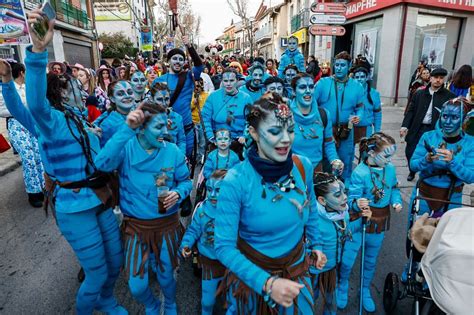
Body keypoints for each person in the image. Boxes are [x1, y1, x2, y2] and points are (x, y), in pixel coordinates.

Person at [8, 13, 125, 314]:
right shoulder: (51, 121)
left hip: (100, 198)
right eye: (72, 85)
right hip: (74, 208)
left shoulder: (81, 119)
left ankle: (107, 300)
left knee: (115, 262)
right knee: (96, 272)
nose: (79, 88)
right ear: (59, 93)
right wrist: (36, 52)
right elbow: (30, 106)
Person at [214, 97, 326, 314]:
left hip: (296, 271)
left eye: (291, 130)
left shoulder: (302, 166)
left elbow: (309, 207)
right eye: (275, 132)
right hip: (252, 279)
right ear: (253, 133)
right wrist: (267, 283)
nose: (286, 140)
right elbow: (223, 247)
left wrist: (317, 245)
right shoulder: (235, 181)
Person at [95, 102, 192, 315]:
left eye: (166, 125)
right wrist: (126, 129)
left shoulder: (172, 151)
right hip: (136, 228)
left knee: (167, 277)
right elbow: (101, 164)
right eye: (158, 127)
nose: (165, 132)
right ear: (141, 128)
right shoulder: (126, 149)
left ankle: (170, 302)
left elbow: (186, 181)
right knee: (136, 285)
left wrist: (178, 193)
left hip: (167, 225)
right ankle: (151, 304)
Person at [337, 132, 402, 313]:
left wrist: (396, 200)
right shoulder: (360, 172)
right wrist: (357, 204)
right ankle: (342, 285)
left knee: (371, 260)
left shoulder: (390, 169)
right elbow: (350, 200)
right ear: (372, 153)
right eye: (386, 155)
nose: (390, 160)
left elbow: (394, 188)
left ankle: (364, 289)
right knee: (348, 259)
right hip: (359, 223)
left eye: (391, 155)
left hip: (379, 223)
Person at [310, 172, 371, 315]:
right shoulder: (313, 221)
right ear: (322, 201)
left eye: (344, 192)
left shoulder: (343, 213)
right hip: (312, 271)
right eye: (338, 194)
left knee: (332, 301)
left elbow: (346, 231)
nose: (345, 197)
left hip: (332, 268)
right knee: (310, 298)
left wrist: (363, 220)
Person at [408, 97, 474, 218]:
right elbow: (413, 165)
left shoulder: (470, 143)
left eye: (454, 117)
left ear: (464, 119)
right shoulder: (428, 136)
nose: (448, 122)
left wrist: (453, 162)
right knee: (417, 233)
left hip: (452, 197)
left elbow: (470, 177)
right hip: (423, 194)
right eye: (444, 116)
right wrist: (426, 159)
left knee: (445, 235)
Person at [180, 170, 228, 314]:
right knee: (207, 302)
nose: (212, 195)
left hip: (231, 266)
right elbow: (193, 230)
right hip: (209, 264)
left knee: (233, 301)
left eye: (218, 190)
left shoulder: (237, 211)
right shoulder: (202, 209)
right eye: (210, 189)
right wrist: (186, 244)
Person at [313, 51, 364, 181]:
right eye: (337, 65)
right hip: (326, 129)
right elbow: (312, 104)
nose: (339, 68)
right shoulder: (322, 83)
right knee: (326, 158)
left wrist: (358, 116)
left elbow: (360, 108)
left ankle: (344, 186)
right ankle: (325, 184)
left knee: (346, 158)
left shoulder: (357, 86)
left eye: (343, 65)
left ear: (349, 66)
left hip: (346, 129)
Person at [0, 60, 45, 208]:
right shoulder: (4, 89)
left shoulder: (28, 88)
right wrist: (18, 110)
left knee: (39, 156)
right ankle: (34, 193)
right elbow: (2, 111)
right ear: (21, 73)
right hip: (16, 125)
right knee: (28, 158)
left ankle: (44, 188)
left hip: (33, 123)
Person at [153, 35, 203, 158]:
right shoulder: (159, 81)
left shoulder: (188, 77)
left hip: (187, 129)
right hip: (165, 129)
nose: (178, 61)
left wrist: (189, 47)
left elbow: (199, 65)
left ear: (184, 62)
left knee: (184, 162)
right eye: (174, 58)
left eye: (181, 59)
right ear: (169, 61)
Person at [401, 67, 455, 182]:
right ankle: (412, 170)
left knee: (432, 152)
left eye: (441, 78)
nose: (438, 80)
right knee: (410, 151)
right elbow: (410, 111)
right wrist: (405, 126)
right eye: (436, 77)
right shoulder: (419, 93)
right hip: (417, 128)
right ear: (430, 78)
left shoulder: (449, 96)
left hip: (435, 130)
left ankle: (427, 174)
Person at [290, 73, 342, 174]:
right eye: (302, 87)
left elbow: (329, 143)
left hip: (317, 172)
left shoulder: (324, 114)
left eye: (311, 87)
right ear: (293, 91)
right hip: (292, 173)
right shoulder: (285, 115)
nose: (308, 91)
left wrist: (335, 160)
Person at [201, 68, 252, 159]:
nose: (228, 84)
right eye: (225, 81)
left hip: (239, 143)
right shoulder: (213, 96)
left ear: (237, 81)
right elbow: (205, 118)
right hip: (218, 142)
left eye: (231, 80)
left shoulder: (246, 98)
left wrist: (245, 136)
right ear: (222, 81)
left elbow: (251, 120)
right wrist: (211, 137)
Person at [94, 80, 136, 147]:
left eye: (130, 92)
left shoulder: (142, 116)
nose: (127, 96)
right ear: (112, 98)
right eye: (120, 94)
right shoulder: (107, 125)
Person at [149, 82, 186, 154]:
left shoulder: (177, 118)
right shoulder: (146, 118)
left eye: (166, 99)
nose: (164, 103)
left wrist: (181, 156)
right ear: (152, 99)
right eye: (159, 99)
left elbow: (181, 141)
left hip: (172, 158)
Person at [352, 65, 382, 143]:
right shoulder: (349, 92)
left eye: (362, 77)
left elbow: (377, 114)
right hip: (351, 128)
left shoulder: (374, 93)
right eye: (357, 77)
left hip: (366, 128)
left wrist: (377, 131)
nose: (359, 79)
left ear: (367, 77)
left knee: (365, 153)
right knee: (349, 154)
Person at [191, 78, 209, 164]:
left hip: (202, 122)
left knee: (202, 141)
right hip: (193, 122)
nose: (197, 88)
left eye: (198, 86)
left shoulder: (206, 95)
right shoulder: (191, 95)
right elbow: (188, 108)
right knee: (195, 141)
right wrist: (194, 102)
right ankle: (195, 156)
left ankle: (201, 157)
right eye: (195, 86)